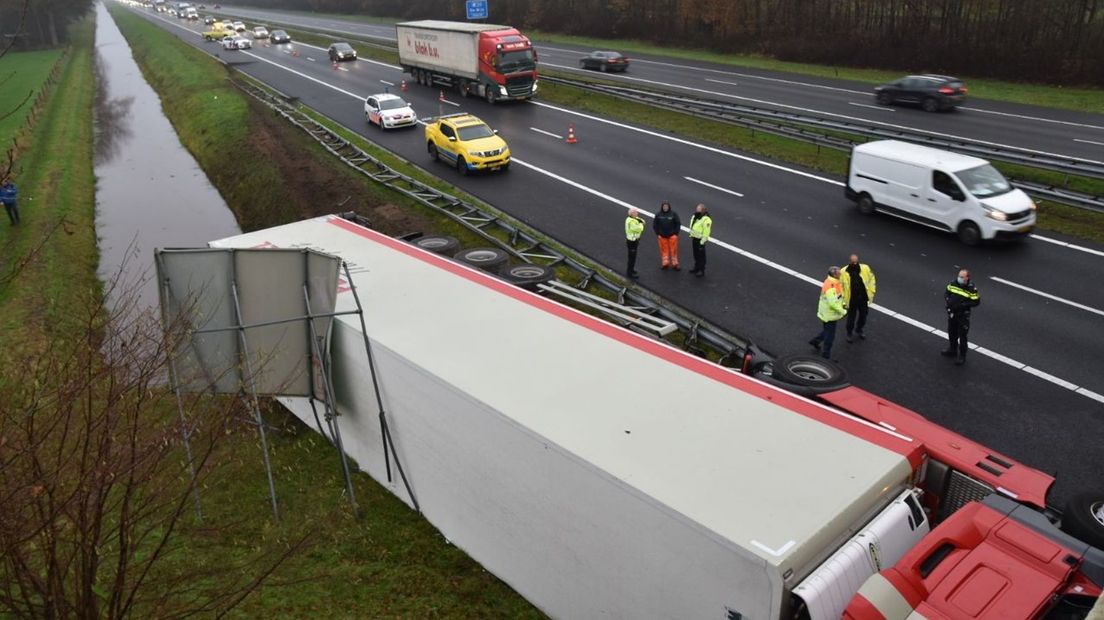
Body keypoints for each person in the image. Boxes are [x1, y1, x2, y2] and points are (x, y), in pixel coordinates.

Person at [942, 268, 980, 365]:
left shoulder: (971, 288)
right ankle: (952, 349)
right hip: (952, 313)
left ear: (967, 278)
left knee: (962, 336)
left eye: (962, 277)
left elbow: (976, 301)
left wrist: (964, 305)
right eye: (959, 276)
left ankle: (962, 356)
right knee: (951, 332)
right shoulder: (953, 283)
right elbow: (947, 292)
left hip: (963, 315)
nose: (959, 278)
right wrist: (948, 301)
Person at [809, 266, 846, 360]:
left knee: (827, 331)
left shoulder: (832, 281)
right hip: (829, 314)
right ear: (834, 275)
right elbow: (832, 303)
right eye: (838, 272)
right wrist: (843, 311)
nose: (840, 273)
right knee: (830, 336)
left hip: (827, 312)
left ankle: (815, 341)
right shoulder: (831, 286)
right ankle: (826, 356)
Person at [840, 254, 876, 342]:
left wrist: (871, 291)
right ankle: (849, 333)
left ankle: (859, 329)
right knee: (851, 317)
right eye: (853, 262)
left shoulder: (865, 268)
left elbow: (872, 279)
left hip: (863, 297)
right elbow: (840, 287)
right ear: (850, 262)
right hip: (851, 299)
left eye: (856, 262)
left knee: (863, 316)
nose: (854, 264)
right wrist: (843, 301)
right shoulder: (843, 272)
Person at [652, 201, 681, 270]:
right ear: (662, 207)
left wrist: (676, 234)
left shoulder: (673, 214)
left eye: (666, 206)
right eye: (664, 206)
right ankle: (665, 264)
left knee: (674, 250)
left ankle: (675, 264)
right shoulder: (658, 214)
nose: (665, 208)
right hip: (662, 236)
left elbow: (678, 223)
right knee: (664, 251)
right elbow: (655, 225)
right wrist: (658, 234)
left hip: (672, 236)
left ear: (669, 207)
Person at [688, 203, 712, 277]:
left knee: (701, 256)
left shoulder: (707, 219)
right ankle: (696, 268)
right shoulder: (695, 216)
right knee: (696, 255)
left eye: (698, 209)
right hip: (694, 238)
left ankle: (701, 270)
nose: (696, 210)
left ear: (703, 210)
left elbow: (706, 232)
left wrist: (702, 242)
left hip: (700, 240)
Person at [624, 207, 645, 279]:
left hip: (634, 241)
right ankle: (629, 273)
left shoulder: (631, 218)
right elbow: (638, 229)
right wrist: (642, 225)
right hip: (632, 242)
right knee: (632, 258)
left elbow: (640, 219)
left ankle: (631, 270)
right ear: (632, 214)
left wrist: (641, 221)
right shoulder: (631, 221)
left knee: (633, 257)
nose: (637, 213)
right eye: (636, 212)